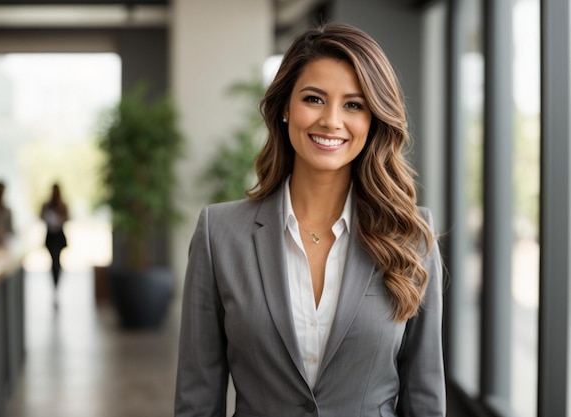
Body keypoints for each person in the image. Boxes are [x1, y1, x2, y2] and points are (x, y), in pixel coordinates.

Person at [175, 22, 445, 416]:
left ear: (373, 120)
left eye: (354, 105)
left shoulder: (410, 238)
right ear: (286, 107)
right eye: (314, 99)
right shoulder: (219, 234)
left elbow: (424, 399)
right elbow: (197, 398)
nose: (331, 121)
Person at [41, 182, 69, 305]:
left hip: (58, 236)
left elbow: (67, 217)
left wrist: (59, 220)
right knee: (54, 263)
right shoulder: (47, 205)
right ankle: (54, 287)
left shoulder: (62, 205)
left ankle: (56, 287)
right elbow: (41, 217)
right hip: (50, 237)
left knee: (57, 263)